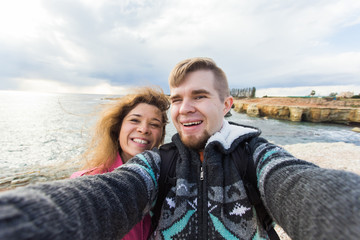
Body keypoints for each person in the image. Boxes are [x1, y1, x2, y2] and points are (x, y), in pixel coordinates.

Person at [0, 58, 359, 240]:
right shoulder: (158, 163)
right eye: (176, 99)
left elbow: (299, 184)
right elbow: (109, 193)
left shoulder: (256, 154)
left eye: (199, 96)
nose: (184, 107)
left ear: (228, 103)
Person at [70, 87, 170, 240]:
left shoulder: (166, 184)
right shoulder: (87, 182)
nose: (144, 129)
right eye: (135, 120)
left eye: (154, 124)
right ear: (118, 128)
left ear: (161, 136)